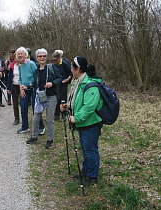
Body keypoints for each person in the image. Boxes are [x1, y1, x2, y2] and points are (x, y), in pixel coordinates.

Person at [60, 56, 104, 185]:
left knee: (90, 149)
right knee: (85, 148)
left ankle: (92, 176)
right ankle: (85, 171)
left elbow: (89, 107)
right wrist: (68, 106)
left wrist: (75, 118)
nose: (71, 71)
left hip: (91, 122)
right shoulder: (79, 81)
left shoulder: (90, 84)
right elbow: (78, 100)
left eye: (72, 69)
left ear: (78, 69)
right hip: (84, 122)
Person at [26, 49, 62, 149]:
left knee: (50, 119)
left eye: (44, 56)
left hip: (51, 96)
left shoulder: (52, 67)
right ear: (37, 58)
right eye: (40, 56)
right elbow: (34, 83)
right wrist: (27, 86)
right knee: (36, 117)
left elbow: (60, 78)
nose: (42, 58)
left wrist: (52, 83)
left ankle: (50, 140)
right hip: (40, 97)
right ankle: (34, 136)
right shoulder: (35, 71)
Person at [17, 47, 45, 134]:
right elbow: (20, 78)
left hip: (33, 89)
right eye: (18, 54)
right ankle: (25, 127)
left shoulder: (31, 64)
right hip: (24, 90)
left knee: (35, 108)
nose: (20, 55)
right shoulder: (20, 66)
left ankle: (41, 127)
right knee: (23, 108)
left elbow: (37, 77)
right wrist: (21, 88)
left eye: (21, 53)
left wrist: (29, 85)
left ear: (25, 55)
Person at [52, 50, 72, 120]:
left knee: (63, 99)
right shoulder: (53, 65)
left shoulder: (64, 63)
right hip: (57, 83)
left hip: (64, 83)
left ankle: (63, 114)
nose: (54, 62)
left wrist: (67, 79)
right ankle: (56, 115)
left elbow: (70, 73)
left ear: (59, 59)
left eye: (55, 60)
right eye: (53, 60)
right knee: (56, 99)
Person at [6, 55, 20, 125]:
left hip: (22, 85)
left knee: (23, 104)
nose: (17, 59)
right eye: (16, 58)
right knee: (15, 103)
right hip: (14, 85)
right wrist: (8, 88)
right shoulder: (12, 66)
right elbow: (10, 77)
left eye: (18, 58)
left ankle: (24, 118)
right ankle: (16, 118)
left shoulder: (24, 65)